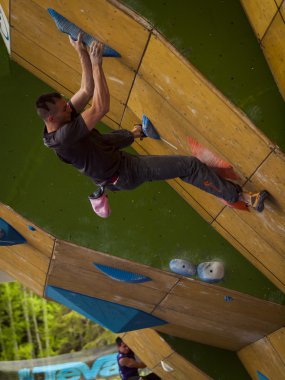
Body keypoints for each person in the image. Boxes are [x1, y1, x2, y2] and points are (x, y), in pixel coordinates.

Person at [36, 34, 268, 213]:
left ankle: (138, 133)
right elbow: (100, 108)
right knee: (189, 166)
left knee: (106, 140)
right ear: (52, 118)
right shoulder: (64, 138)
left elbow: (86, 91)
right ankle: (244, 198)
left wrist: (82, 53)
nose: (69, 106)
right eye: (65, 108)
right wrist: (97, 64)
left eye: (66, 104)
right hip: (124, 174)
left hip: (112, 161)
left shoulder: (60, 119)